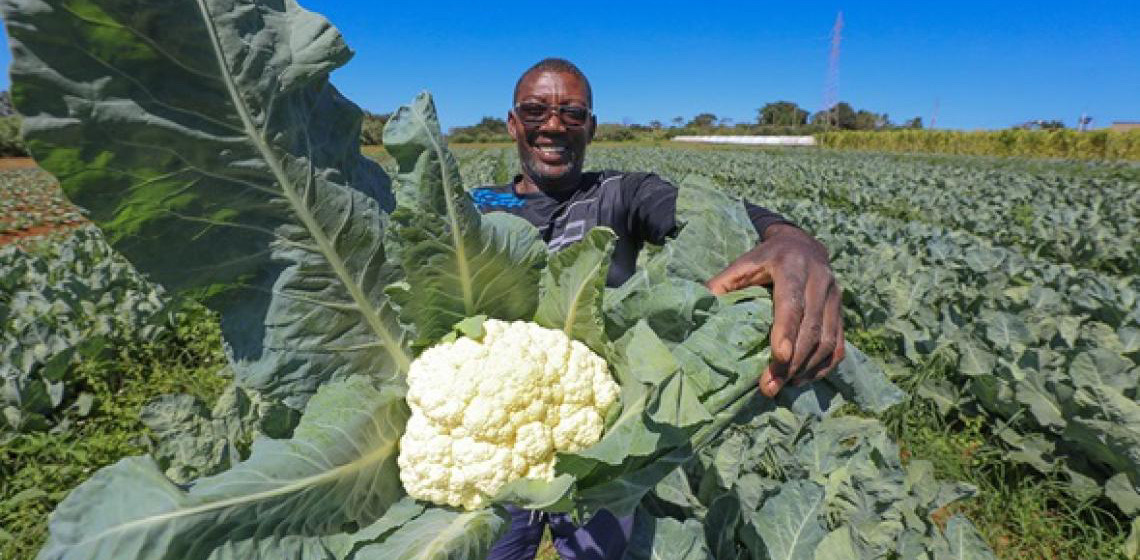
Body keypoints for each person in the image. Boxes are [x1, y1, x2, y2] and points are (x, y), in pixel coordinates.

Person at [470, 58, 845, 560]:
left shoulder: (621, 192)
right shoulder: (475, 207)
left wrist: (793, 241)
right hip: (496, 431)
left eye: (573, 113)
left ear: (592, 128)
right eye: (536, 111)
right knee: (496, 548)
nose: (554, 125)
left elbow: (718, 214)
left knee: (599, 553)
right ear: (514, 123)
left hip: (605, 430)